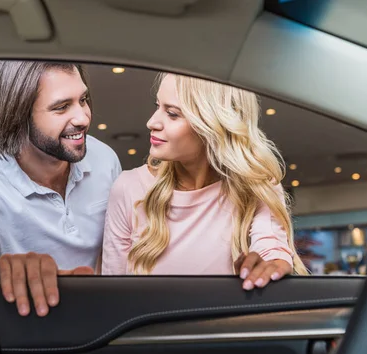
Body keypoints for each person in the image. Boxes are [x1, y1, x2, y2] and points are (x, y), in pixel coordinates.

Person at [101, 73, 308, 289]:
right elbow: (112, 293)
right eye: (157, 106)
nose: (151, 122)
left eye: (172, 114)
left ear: (211, 124)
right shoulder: (128, 188)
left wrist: (270, 265)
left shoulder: (257, 186)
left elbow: (270, 246)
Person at [0, 61, 122, 316]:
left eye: (83, 100)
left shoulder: (104, 159)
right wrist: (0, 272)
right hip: (26, 330)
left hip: (99, 318)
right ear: (18, 116)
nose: (83, 117)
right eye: (62, 107)